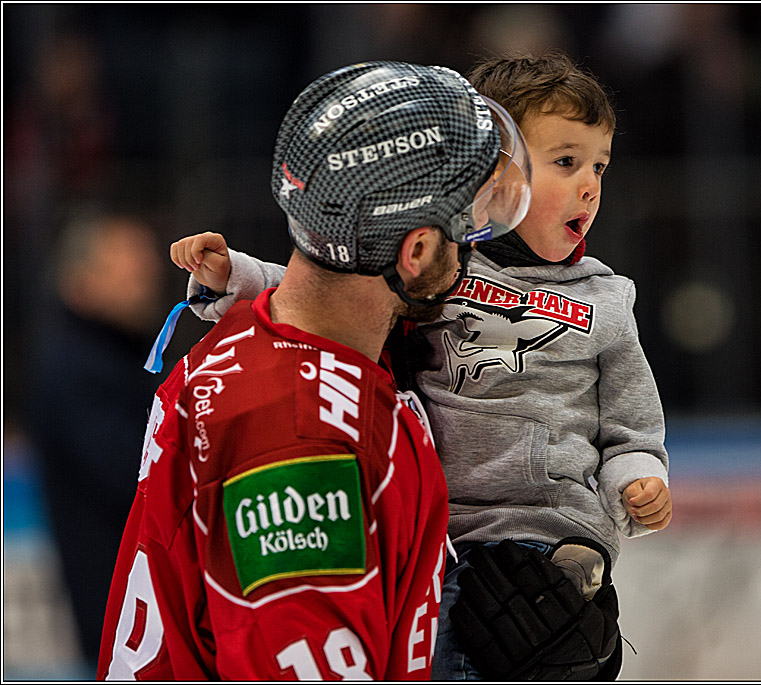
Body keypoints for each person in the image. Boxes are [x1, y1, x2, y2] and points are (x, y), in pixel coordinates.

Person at [169, 52, 672, 680]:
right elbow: (329, 286)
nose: (590, 184)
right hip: (448, 540)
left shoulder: (606, 297)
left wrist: (636, 479)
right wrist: (233, 276)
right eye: (565, 162)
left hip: (544, 533)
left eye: (599, 165)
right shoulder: (436, 276)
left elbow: (632, 425)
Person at [96, 60, 533, 680]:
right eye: (466, 223)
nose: (475, 247)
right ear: (415, 252)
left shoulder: (279, 345)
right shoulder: (296, 432)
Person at [26, 209, 164, 673]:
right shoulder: (77, 369)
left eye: (145, 267)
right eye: (126, 268)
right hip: (118, 623)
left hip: (132, 618)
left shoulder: (120, 354)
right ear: (78, 280)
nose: (144, 279)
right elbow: (139, 476)